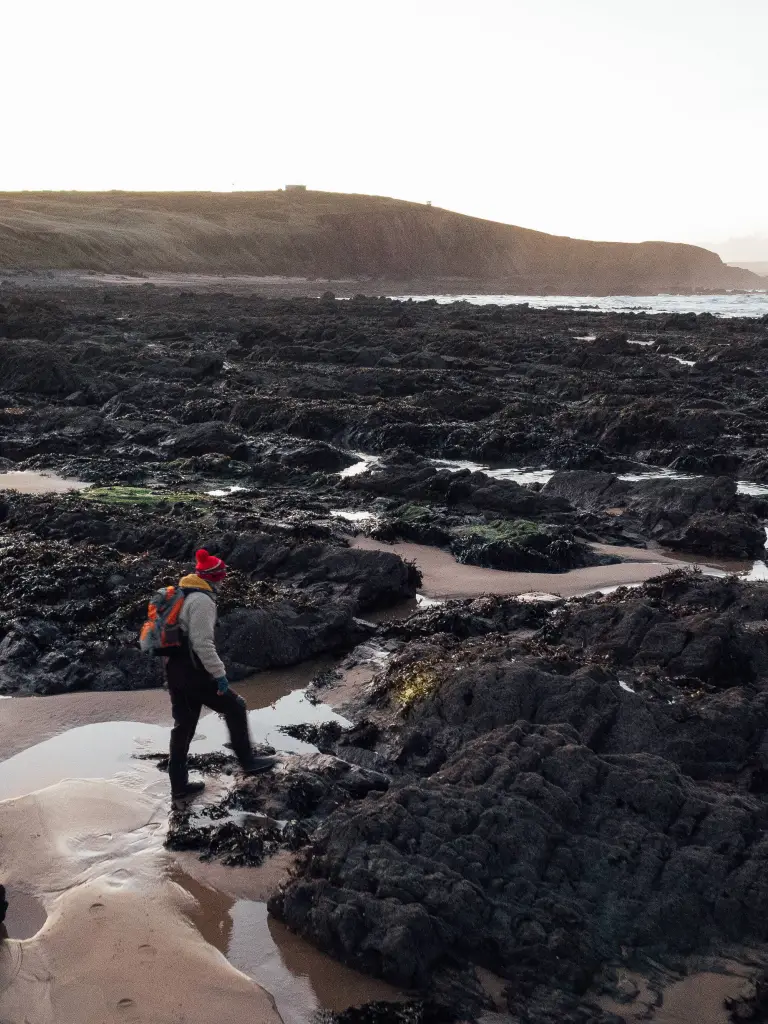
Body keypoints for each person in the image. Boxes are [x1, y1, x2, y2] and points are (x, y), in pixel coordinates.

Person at [166, 548, 276, 808]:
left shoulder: (182, 592)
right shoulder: (202, 601)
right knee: (235, 707)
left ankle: (178, 785)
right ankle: (248, 762)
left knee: (183, 725)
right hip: (194, 671)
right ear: (214, 577)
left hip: (174, 669)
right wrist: (220, 676)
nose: (224, 580)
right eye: (222, 576)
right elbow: (203, 644)